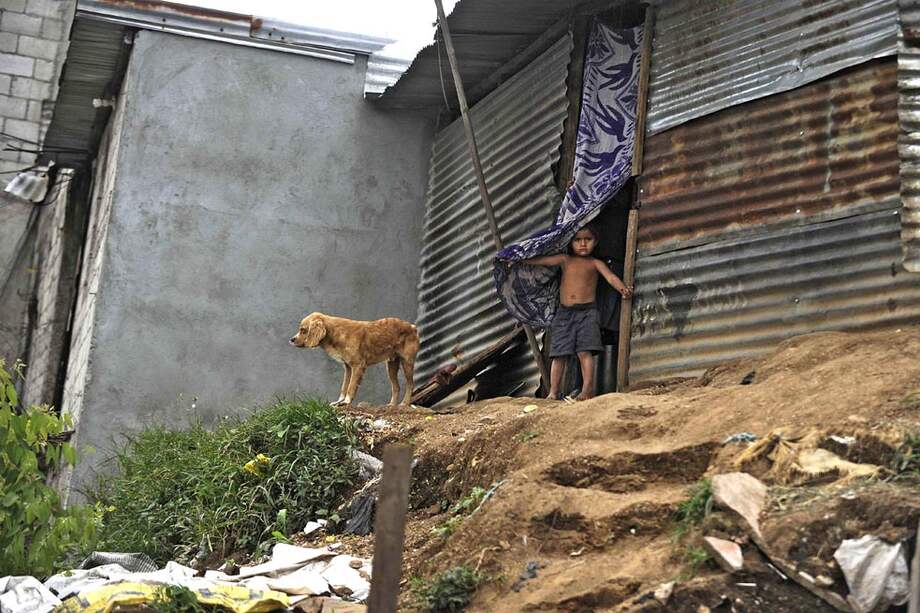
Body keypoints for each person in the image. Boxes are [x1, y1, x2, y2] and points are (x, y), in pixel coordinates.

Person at [513, 224, 632, 400]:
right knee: (559, 353)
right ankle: (553, 392)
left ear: (595, 242)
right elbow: (543, 261)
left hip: (587, 313)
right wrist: (521, 260)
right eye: (578, 240)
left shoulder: (595, 263)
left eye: (588, 239)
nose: (583, 244)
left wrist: (623, 289)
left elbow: (611, 277)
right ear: (571, 243)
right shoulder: (565, 260)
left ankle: (587, 391)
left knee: (585, 352)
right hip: (564, 314)